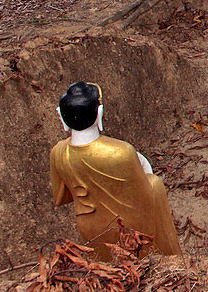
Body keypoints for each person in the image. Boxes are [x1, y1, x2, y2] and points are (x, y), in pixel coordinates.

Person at [50, 82, 182, 260]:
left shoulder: (58, 152)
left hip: (91, 228)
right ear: (99, 113)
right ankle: (171, 258)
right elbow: (143, 196)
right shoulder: (121, 151)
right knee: (155, 185)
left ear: (61, 116)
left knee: (106, 262)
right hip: (129, 228)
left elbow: (61, 197)